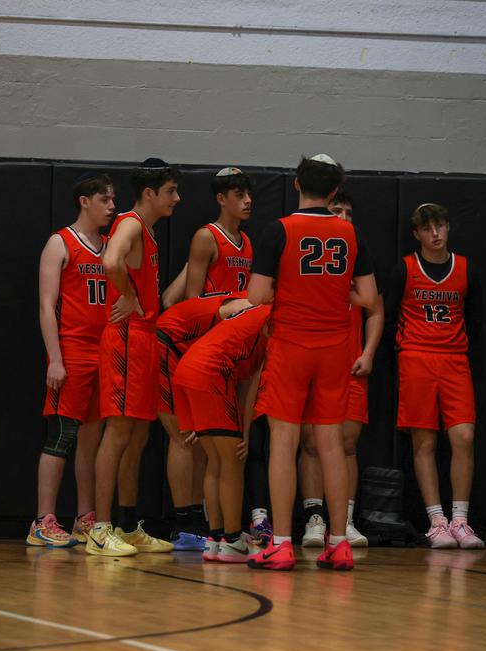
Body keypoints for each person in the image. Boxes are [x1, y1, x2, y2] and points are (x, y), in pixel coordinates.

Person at [247, 154, 378, 571]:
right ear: (335, 191)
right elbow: (368, 297)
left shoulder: (278, 230)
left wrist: (291, 290)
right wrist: (334, 293)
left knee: (283, 442)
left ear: (297, 184)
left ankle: (282, 544)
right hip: (335, 347)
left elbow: (257, 296)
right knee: (331, 444)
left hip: (291, 345)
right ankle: (339, 543)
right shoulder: (350, 233)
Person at [86, 158, 179, 557]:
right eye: (171, 191)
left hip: (144, 338)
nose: (177, 198)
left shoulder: (147, 230)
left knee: (138, 436)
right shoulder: (131, 223)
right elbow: (110, 262)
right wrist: (127, 295)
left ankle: (126, 526)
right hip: (126, 337)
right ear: (149, 193)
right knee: (119, 432)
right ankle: (99, 529)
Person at [387, 202, 484, 550]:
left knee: (464, 437)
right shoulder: (405, 269)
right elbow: (389, 316)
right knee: (424, 442)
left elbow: (476, 319)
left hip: (455, 358)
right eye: (428, 228)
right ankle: (437, 521)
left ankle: (461, 519)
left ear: (448, 227)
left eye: (440, 225)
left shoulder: (466, 268)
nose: (436, 233)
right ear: (417, 233)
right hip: (416, 357)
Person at [27, 173, 114, 548]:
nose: (111, 206)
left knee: (92, 442)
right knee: (62, 435)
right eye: (104, 200)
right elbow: (47, 307)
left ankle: (84, 518)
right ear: (84, 201)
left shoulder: (111, 246)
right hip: (73, 350)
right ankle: (42, 521)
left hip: (105, 351)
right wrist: (55, 359)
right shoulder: (60, 242)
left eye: (113, 200)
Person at [298, 190, 380, 548]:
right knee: (311, 442)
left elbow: (376, 309)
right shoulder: (311, 256)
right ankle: (314, 518)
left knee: (346, 444)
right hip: (313, 362)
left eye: (348, 212)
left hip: (350, 364)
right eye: (336, 210)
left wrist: (369, 352)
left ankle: (343, 520)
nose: (343, 217)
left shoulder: (359, 253)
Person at [172, 301, 271, 563]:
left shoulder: (256, 311)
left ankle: (215, 540)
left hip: (188, 367)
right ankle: (232, 540)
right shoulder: (277, 316)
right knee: (232, 461)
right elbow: (253, 384)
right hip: (211, 370)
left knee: (215, 461)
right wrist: (245, 432)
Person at [155, 290, 247, 549]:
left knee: (202, 439)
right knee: (183, 437)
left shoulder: (249, 304)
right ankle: (183, 526)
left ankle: (197, 519)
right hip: (168, 345)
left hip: (189, 353)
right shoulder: (247, 307)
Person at [160, 167, 254, 309]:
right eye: (240, 195)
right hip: (213, 319)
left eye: (248, 194)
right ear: (221, 199)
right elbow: (192, 301)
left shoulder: (246, 240)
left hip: (238, 318)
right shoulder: (207, 236)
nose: (248, 200)